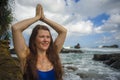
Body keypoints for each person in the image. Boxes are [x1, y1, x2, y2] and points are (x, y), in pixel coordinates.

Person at [12, 4, 67, 80]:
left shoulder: (53, 53)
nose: (46, 40)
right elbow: (16, 28)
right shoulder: (25, 56)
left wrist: (44, 18)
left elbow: (63, 31)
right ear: (34, 40)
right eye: (42, 37)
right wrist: (37, 17)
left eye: (48, 37)